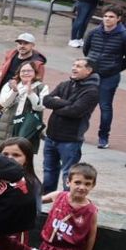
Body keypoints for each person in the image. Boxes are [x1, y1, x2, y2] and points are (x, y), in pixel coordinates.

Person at [24, 163, 99, 250]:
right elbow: (37, 200)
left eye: (87, 184)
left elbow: (91, 237)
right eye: (77, 182)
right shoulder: (58, 196)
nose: (82, 187)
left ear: (93, 186)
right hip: (47, 249)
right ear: (68, 182)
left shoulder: (91, 211)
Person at [41, 57, 101, 191]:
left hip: (70, 140)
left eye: (79, 66)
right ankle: (45, 200)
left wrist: (57, 104)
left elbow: (75, 111)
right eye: (73, 65)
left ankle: (67, 202)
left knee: (69, 174)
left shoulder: (91, 91)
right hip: (51, 136)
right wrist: (66, 103)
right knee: (49, 170)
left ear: (89, 70)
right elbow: (46, 100)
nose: (74, 68)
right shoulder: (65, 84)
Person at [79, 4, 125, 148]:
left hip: (109, 76)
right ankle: (78, 133)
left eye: (111, 17)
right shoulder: (94, 32)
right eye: (105, 16)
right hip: (91, 74)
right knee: (83, 104)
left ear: (118, 19)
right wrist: (91, 65)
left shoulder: (124, 35)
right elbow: (86, 50)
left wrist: (115, 67)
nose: (107, 19)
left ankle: (103, 138)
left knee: (105, 107)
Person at [0, 61, 47, 149]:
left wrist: (30, 93)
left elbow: (39, 107)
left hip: (26, 125)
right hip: (8, 124)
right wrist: (14, 91)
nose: (26, 73)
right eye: (23, 71)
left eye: (29, 71)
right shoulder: (10, 84)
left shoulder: (42, 87)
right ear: (18, 73)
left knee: (22, 153)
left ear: (35, 72)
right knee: (3, 152)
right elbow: (3, 103)